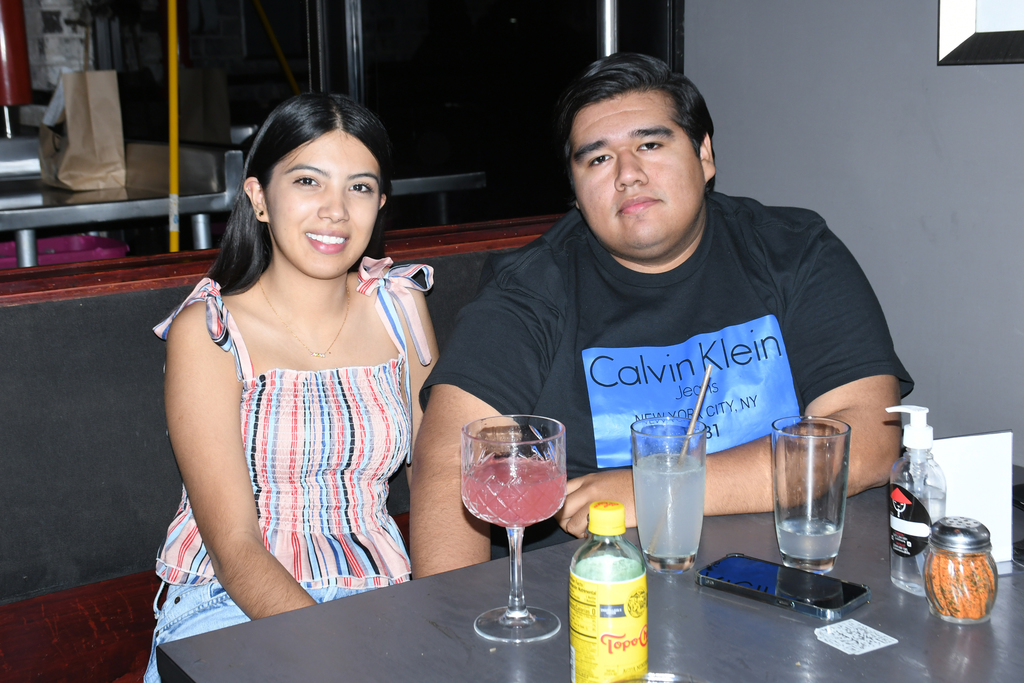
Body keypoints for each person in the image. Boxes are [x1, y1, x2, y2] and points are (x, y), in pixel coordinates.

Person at [409, 53, 910, 578]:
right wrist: (456, 618)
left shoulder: (794, 252)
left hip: (795, 570)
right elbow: (451, 460)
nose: (628, 174)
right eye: (597, 160)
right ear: (575, 192)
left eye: (650, 144)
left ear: (704, 154)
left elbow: (868, 440)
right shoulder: (531, 289)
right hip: (599, 589)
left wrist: (656, 486)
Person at [144, 94, 438, 681]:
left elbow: (438, 467)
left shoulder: (400, 306)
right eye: (308, 181)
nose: (335, 211)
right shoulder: (209, 330)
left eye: (359, 188)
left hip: (379, 593)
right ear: (258, 197)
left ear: (380, 204)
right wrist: (339, 658)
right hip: (231, 603)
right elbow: (234, 548)